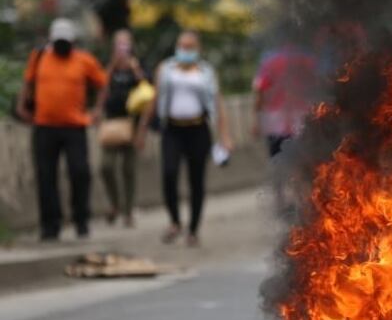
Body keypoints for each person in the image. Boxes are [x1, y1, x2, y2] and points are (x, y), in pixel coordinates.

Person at [136, 31, 232, 247]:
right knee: (169, 173)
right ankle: (175, 221)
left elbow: (218, 103)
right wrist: (142, 128)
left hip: (198, 130)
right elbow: (155, 98)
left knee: (196, 180)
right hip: (172, 130)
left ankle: (193, 229)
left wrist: (225, 136)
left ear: (197, 49)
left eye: (189, 47)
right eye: (181, 45)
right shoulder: (166, 69)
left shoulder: (206, 72)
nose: (184, 50)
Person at [16, 18, 108, 241]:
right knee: (45, 176)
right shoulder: (39, 58)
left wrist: (97, 110)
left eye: (65, 42)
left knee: (80, 172)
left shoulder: (84, 60)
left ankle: (81, 219)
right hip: (44, 126)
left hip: (75, 127)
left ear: (73, 41)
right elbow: (28, 83)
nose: (61, 46)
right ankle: (50, 225)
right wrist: (21, 106)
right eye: (58, 42)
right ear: (51, 40)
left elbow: (102, 84)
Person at [99, 30, 146, 227]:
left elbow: (146, 90)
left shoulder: (137, 65)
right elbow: (102, 88)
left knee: (128, 169)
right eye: (119, 44)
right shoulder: (110, 67)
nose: (122, 48)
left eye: (125, 44)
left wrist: (134, 68)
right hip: (112, 123)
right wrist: (113, 64)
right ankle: (115, 204)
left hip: (131, 123)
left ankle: (128, 212)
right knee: (106, 166)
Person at [252, 42, 317, 158]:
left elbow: (261, 92)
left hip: (276, 122)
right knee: (305, 163)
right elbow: (318, 88)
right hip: (302, 119)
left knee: (278, 161)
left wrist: (257, 122)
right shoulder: (307, 58)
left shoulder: (269, 61)